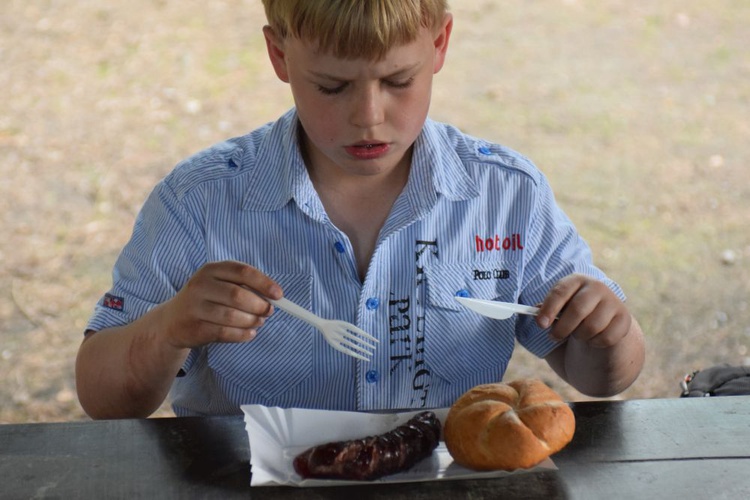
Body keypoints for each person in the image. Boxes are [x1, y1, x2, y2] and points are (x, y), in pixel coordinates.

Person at [76, 0, 645, 419]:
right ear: (279, 54)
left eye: (399, 80)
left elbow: (598, 377)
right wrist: (170, 326)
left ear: (441, 44)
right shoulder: (201, 201)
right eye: (332, 86)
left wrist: (610, 334)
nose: (368, 116)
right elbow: (103, 397)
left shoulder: (504, 195)